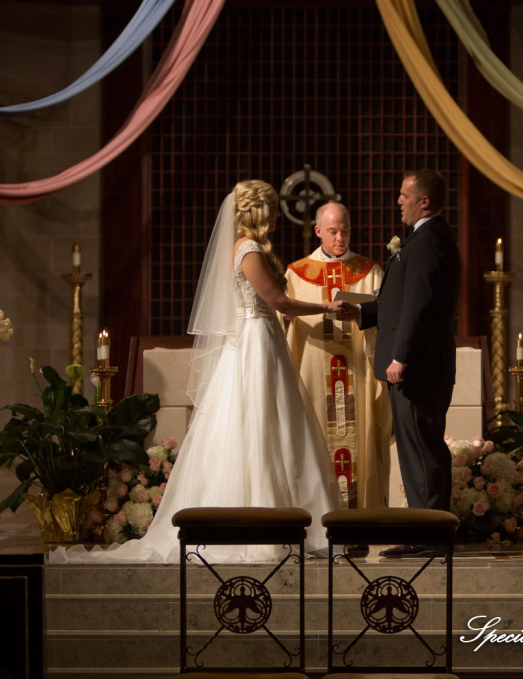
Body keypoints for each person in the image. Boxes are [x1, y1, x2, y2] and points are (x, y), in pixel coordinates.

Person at [52, 180, 344, 563]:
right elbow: (279, 302)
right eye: (273, 208)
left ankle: (286, 518)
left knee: (273, 427)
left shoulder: (241, 247)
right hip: (255, 343)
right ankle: (265, 526)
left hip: (260, 339)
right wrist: (327, 308)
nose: (277, 215)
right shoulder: (249, 249)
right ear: (258, 211)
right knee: (261, 426)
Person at [345, 169, 461, 558]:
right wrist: (361, 312)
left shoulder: (428, 241)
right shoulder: (425, 238)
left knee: (421, 450)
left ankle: (429, 535)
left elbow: (419, 306)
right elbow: (401, 301)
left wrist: (401, 357)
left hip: (418, 367)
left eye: (404, 195)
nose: (398, 201)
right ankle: (426, 531)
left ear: (424, 202)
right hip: (420, 364)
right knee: (417, 450)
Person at [284, 202, 391, 512]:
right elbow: (284, 323)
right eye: (333, 231)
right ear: (318, 231)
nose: (340, 238)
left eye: (345, 231)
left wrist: (363, 315)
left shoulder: (369, 272)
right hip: (313, 378)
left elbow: (387, 317)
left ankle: (361, 523)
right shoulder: (296, 274)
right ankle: (317, 520)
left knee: (361, 447)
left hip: (358, 372)